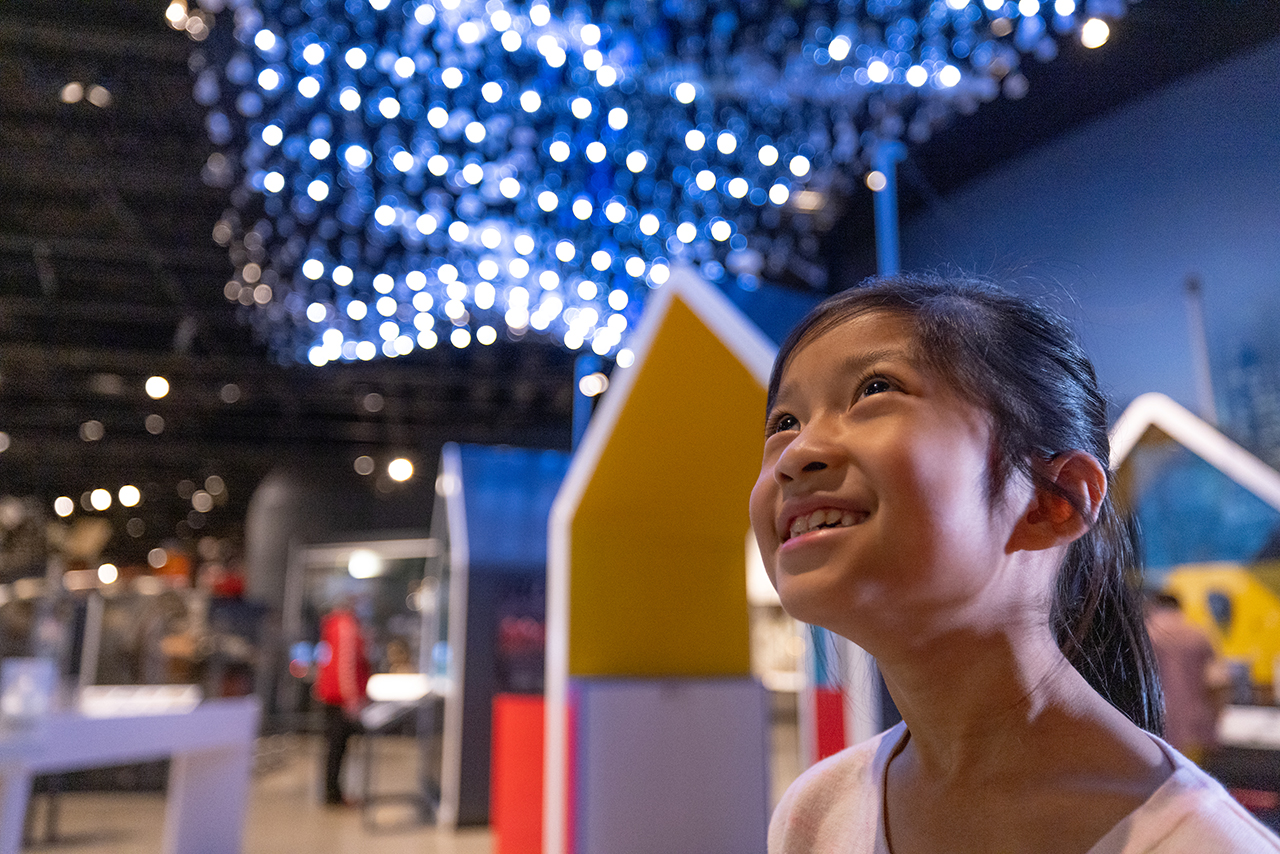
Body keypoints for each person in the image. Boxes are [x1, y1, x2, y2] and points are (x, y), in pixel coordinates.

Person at [749, 273, 1280, 853]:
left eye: (875, 389)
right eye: (784, 423)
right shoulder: (817, 813)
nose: (796, 456)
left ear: (1054, 500)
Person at [1145, 591, 1231, 766]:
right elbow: (1218, 683)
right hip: (1195, 728)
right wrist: (1214, 724)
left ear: (1153, 606)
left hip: (1154, 732)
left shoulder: (1145, 633)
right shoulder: (1198, 633)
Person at [314, 596, 370, 806]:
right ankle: (333, 793)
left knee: (335, 747)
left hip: (333, 695)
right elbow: (345, 665)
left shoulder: (333, 625)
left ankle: (333, 791)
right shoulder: (345, 626)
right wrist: (351, 698)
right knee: (337, 747)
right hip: (339, 698)